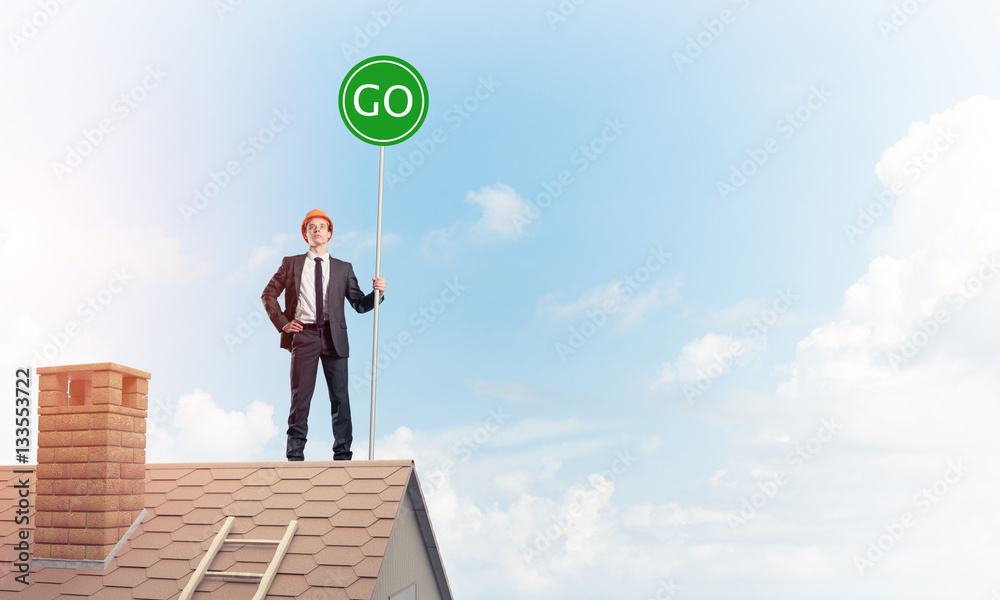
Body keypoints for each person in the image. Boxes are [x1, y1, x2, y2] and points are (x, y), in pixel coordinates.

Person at [261, 209, 386, 461]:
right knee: (300, 397)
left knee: (340, 398)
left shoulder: (344, 268)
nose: (316, 229)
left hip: (334, 338)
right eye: (311, 227)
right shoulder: (291, 263)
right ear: (305, 234)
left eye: (321, 226)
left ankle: (343, 455)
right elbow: (268, 294)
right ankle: (295, 456)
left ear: (330, 233)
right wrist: (284, 323)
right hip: (303, 336)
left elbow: (359, 304)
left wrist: (378, 295)